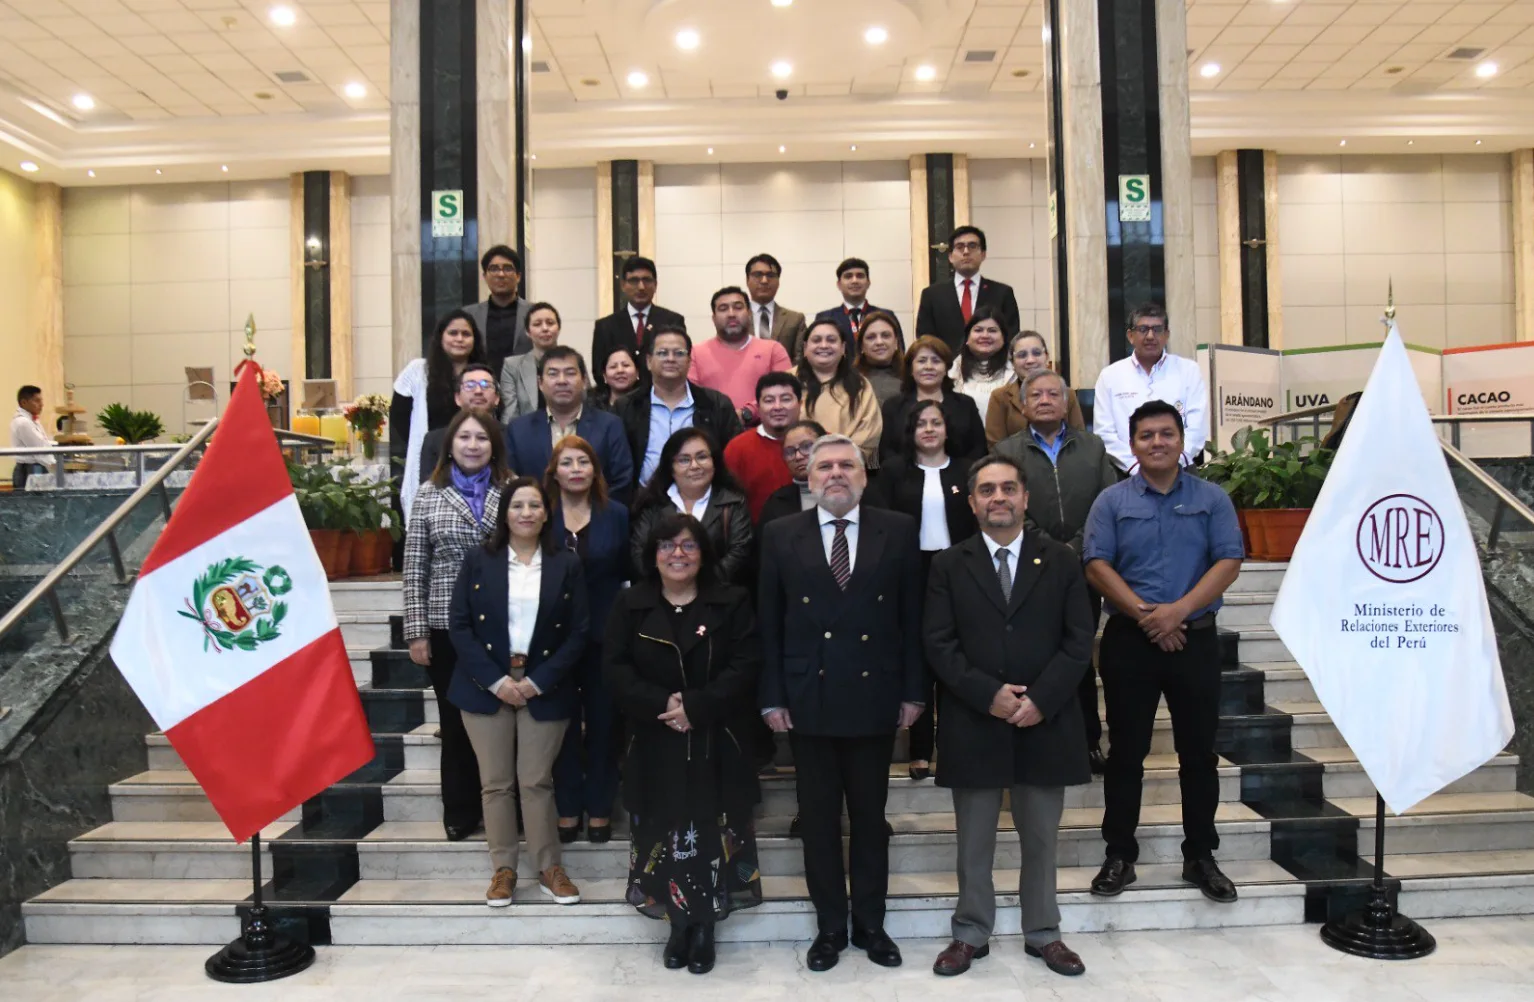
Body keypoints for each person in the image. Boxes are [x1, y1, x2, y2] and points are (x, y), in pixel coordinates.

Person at [758, 435, 924, 972]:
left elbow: (912, 618)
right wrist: (772, 696)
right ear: (808, 478)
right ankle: (830, 926)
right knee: (820, 822)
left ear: (863, 475)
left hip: (875, 694)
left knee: (871, 821)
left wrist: (914, 690)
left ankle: (871, 924)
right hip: (808, 696)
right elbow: (769, 621)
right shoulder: (781, 533)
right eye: (824, 465)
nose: (835, 473)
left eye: (846, 465)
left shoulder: (897, 528)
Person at [924, 454, 1093, 979]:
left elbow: (1079, 639)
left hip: (1045, 720)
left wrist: (1041, 699)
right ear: (972, 503)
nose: (998, 497)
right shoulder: (948, 564)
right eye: (986, 490)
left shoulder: (1061, 560)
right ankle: (970, 932)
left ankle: (1043, 932)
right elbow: (938, 643)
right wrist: (987, 694)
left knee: (1041, 838)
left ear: (1025, 497)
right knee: (973, 840)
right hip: (974, 719)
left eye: (1008, 488)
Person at [1082, 400, 1244, 903]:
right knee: (1126, 754)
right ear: (1132, 445)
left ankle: (1200, 856)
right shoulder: (1111, 501)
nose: (1157, 442)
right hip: (1130, 641)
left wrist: (1178, 612)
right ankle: (1119, 855)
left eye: (1166, 433)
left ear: (1181, 439)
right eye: (1146, 435)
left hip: (1195, 639)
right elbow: (1096, 564)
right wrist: (1149, 617)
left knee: (1198, 754)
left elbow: (1229, 559)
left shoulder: (1212, 498)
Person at [606, 512, 764, 975]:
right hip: (654, 739)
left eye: (689, 545)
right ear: (652, 555)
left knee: (711, 831)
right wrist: (663, 703)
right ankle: (677, 925)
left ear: (704, 554)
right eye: (667, 545)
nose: (678, 554)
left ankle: (705, 926)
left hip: (717, 738)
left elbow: (746, 664)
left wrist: (696, 706)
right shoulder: (630, 604)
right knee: (662, 831)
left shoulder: (731, 601)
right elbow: (614, 669)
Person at [447, 476, 589, 907]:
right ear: (504, 514)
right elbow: (459, 625)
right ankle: (503, 870)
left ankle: (548, 868)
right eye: (517, 505)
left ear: (547, 513)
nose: (526, 513)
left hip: (545, 683)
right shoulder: (479, 559)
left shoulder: (566, 563)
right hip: (485, 683)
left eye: (534, 505)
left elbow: (579, 631)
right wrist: (497, 682)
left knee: (536, 780)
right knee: (495, 784)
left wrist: (535, 682)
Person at [996, 369, 1119, 771]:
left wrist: (1075, 549)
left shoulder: (1093, 447)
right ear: (1024, 405)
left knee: (1078, 654)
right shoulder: (1007, 451)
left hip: (1085, 569)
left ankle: (1088, 741)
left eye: (1054, 394)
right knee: (1035, 653)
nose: (1045, 400)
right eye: (1037, 395)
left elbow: (1106, 502)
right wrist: (1049, 549)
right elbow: (1008, 506)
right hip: (1028, 567)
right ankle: (1034, 735)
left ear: (1066, 403)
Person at [402, 408, 509, 842]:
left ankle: (506, 809)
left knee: (502, 719)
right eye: (464, 437)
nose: (472, 445)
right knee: (456, 719)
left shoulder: (511, 489)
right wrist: (416, 631)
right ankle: (461, 810)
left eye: (481, 438)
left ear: (493, 446)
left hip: (501, 623)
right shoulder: (429, 494)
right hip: (445, 625)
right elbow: (415, 565)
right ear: (450, 445)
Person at [871, 400, 978, 781]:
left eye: (936, 422)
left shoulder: (967, 470)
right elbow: (881, 525)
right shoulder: (893, 471)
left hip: (959, 573)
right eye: (921, 424)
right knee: (918, 657)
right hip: (910, 573)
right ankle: (919, 750)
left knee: (956, 657)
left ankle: (953, 748)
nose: (929, 429)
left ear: (948, 429)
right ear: (910, 431)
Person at [546, 436, 631, 846]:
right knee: (560, 725)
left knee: (604, 724)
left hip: (605, 635)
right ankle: (567, 806)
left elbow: (629, 572)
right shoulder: (540, 512)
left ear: (595, 470)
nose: (576, 469)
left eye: (584, 462)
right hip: (553, 638)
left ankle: (599, 807)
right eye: (567, 462)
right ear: (554, 472)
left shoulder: (616, 514)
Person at [505, 346, 635, 505]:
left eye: (570, 373)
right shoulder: (518, 430)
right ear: (540, 383)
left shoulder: (610, 425)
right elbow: (511, 484)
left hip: (597, 516)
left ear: (584, 381)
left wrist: (586, 514)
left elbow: (622, 482)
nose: (562, 381)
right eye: (553, 374)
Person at [615, 328, 742, 488]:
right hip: (644, 498)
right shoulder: (626, 407)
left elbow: (735, 458)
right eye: (662, 353)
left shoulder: (716, 404)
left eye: (679, 353)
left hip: (705, 497)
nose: (671, 359)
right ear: (648, 361)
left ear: (689, 361)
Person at [1092, 302, 1209, 473]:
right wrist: (1136, 468)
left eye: (1157, 329)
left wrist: (1173, 462)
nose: (1150, 336)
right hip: (1126, 473)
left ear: (1167, 335)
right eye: (1143, 329)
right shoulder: (1110, 376)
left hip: (1180, 470)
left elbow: (1197, 428)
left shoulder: (1188, 371)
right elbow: (1104, 433)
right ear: (1130, 336)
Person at [393, 309, 487, 521]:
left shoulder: (482, 375)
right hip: (431, 458)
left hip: (473, 457)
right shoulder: (418, 371)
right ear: (440, 337)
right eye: (453, 333)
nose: (459, 339)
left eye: (466, 334)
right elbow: (399, 417)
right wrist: (428, 444)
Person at [630, 427, 753, 586]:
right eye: (684, 460)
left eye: (702, 457)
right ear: (670, 467)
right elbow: (639, 552)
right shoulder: (653, 503)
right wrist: (671, 587)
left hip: (717, 593)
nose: (695, 466)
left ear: (714, 462)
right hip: (662, 593)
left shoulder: (733, 503)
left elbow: (739, 553)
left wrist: (696, 588)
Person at [878, 335, 986, 468]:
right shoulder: (894, 406)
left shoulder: (965, 404)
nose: (929, 367)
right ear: (911, 369)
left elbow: (978, 449)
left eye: (936, 361)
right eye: (922, 361)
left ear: (946, 368)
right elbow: (886, 451)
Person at [688, 286, 792, 422]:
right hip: (712, 430)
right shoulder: (695, 353)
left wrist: (748, 413)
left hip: (764, 430)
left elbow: (786, 392)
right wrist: (723, 419)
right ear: (713, 318)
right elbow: (689, 396)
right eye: (723, 309)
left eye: (738, 307)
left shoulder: (773, 349)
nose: (731, 314)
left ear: (749, 313)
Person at [915, 226, 1020, 355]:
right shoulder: (932, 295)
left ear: (983, 254)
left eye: (972, 246)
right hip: (947, 364)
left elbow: (1011, 337)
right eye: (959, 247)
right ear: (950, 256)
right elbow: (925, 340)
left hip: (992, 365)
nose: (966, 252)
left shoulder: (1002, 293)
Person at [591, 256, 687, 394]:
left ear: (655, 285)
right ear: (623, 285)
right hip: (620, 401)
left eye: (647, 280)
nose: (641, 287)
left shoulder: (672, 320)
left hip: (662, 397)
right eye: (634, 281)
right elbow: (599, 370)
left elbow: (680, 362)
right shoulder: (605, 326)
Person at [795, 320, 882, 465]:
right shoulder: (788, 381)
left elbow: (869, 433)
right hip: (795, 466)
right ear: (805, 348)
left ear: (843, 348)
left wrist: (834, 461)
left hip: (846, 468)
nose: (824, 345)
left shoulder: (860, 385)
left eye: (831, 340)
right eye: (816, 340)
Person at [722, 373, 803, 522]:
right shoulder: (737, 448)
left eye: (786, 399)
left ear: (800, 404)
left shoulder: (822, 442)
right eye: (769, 400)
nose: (777, 407)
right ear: (758, 408)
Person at [985, 330, 1085, 446]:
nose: (1030, 360)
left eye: (1037, 353)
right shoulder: (1000, 397)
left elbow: (1079, 439)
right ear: (1012, 363)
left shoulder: (1067, 393)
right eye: (1022, 355)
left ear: (1046, 357)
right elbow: (996, 446)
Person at [418, 363, 502, 484]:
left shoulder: (512, 436)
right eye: (470, 385)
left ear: (497, 398)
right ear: (457, 398)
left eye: (485, 385)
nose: (478, 391)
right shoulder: (434, 439)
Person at [463, 244, 532, 375]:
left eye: (507, 268)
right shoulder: (468, 316)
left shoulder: (534, 314)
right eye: (494, 269)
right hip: (481, 384)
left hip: (524, 385)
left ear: (518, 276)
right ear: (485, 276)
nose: (501, 274)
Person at [497, 301, 562, 422]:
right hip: (526, 430)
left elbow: (584, 404)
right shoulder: (512, 366)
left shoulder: (573, 362)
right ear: (528, 332)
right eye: (537, 324)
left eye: (550, 323)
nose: (545, 328)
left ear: (558, 328)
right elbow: (510, 414)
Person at [756, 420, 826, 528]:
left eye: (806, 446)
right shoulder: (777, 503)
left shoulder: (846, 491)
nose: (798, 456)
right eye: (790, 452)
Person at [949, 307, 1015, 417]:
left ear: (1004, 338)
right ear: (967, 338)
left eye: (992, 331)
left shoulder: (1015, 371)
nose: (985, 336)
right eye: (978, 330)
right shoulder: (952, 372)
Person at [812, 258, 893, 344]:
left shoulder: (886, 315)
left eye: (860, 276)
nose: (855, 281)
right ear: (839, 284)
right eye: (848, 276)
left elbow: (899, 349)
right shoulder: (825, 317)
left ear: (868, 283)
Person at [746, 252, 808, 360]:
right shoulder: (737, 318)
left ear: (778, 281)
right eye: (758, 275)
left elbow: (800, 359)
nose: (764, 281)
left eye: (770, 275)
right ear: (747, 280)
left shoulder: (795, 319)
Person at [855, 311, 907, 407]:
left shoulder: (912, 378)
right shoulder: (850, 381)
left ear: (896, 342)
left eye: (886, 335)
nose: (879, 342)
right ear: (861, 346)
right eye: (871, 337)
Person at [10, 385, 54, 489]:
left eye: (41, 400)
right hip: (31, 469)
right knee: (35, 498)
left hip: (35, 466)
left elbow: (43, 442)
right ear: (24, 402)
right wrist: (57, 465)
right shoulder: (23, 422)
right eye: (37, 401)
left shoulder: (32, 420)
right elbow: (39, 449)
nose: (41, 404)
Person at [591, 343, 642, 413]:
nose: (620, 370)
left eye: (626, 365)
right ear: (604, 375)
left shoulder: (648, 403)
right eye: (613, 367)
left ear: (637, 372)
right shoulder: (592, 407)